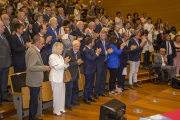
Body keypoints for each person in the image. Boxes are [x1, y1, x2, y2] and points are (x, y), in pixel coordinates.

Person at [25, 35, 51, 120]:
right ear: (37, 43)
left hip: (35, 80)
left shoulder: (34, 50)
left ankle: (33, 117)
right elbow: (31, 67)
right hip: (33, 80)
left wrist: (41, 66)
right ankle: (32, 118)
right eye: (42, 43)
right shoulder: (32, 51)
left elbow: (35, 65)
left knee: (34, 100)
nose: (43, 45)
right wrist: (44, 68)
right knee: (34, 100)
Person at [49, 42, 71, 116]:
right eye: (62, 48)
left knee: (62, 94)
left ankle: (61, 108)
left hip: (61, 78)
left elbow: (64, 66)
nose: (63, 49)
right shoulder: (52, 57)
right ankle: (56, 110)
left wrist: (66, 63)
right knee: (57, 95)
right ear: (57, 48)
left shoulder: (60, 56)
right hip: (55, 78)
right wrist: (64, 63)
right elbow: (56, 67)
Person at [94, 30, 114, 99]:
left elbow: (108, 51)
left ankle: (101, 92)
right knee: (98, 79)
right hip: (99, 63)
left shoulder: (108, 42)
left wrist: (110, 51)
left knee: (103, 78)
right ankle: (96, 93)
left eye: (103, 36)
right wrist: (106, 52)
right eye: (101, 36)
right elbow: (98, 53)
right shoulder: (97, 42)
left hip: (105, 62)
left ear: (106, 36)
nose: (102, 37)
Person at [65, 40, 83, 111]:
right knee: (69, 89)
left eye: (79, 46)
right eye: (77, 46)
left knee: (76, 88)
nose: (78, 48)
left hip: (76, 73)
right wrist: (76, 63)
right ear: (73, 45)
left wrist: (79, 63)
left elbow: (77, 62)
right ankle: (67, 104)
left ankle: (73, 101)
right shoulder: (68, 52)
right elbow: (67, 64)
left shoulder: (78, 52)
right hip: (70, 74)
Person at [82, 37, 101, 104]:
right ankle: (85, 98)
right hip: (88, 69)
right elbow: (92, 59)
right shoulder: (85, 50)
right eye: (93, 42)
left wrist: (96, 53)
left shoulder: (90, 49)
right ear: (90, 43)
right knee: (87, 84)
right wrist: (97, 53)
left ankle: (90, 96)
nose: (94, 43)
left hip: (92, 69)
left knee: (92, 84)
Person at [0, 20, 12, 106]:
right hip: (1, 63)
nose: (4, 27)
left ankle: (4, 96)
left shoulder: (3, 35)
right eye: (2, 26)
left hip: (6, 62)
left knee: (4, 81)